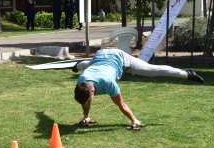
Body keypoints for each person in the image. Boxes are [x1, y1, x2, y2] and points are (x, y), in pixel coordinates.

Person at [72, 48, 204, 129]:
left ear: (93, 91)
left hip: (119, 57)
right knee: (88, 64)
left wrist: (134, 120)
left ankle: (187, 74)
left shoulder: (108, 83)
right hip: (100, 57)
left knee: (151, 70)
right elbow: (86, 100)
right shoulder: (81, 81)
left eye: (89, 99)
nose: (88, 102)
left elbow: (121, 104)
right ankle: (77, 65)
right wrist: (86, 116)